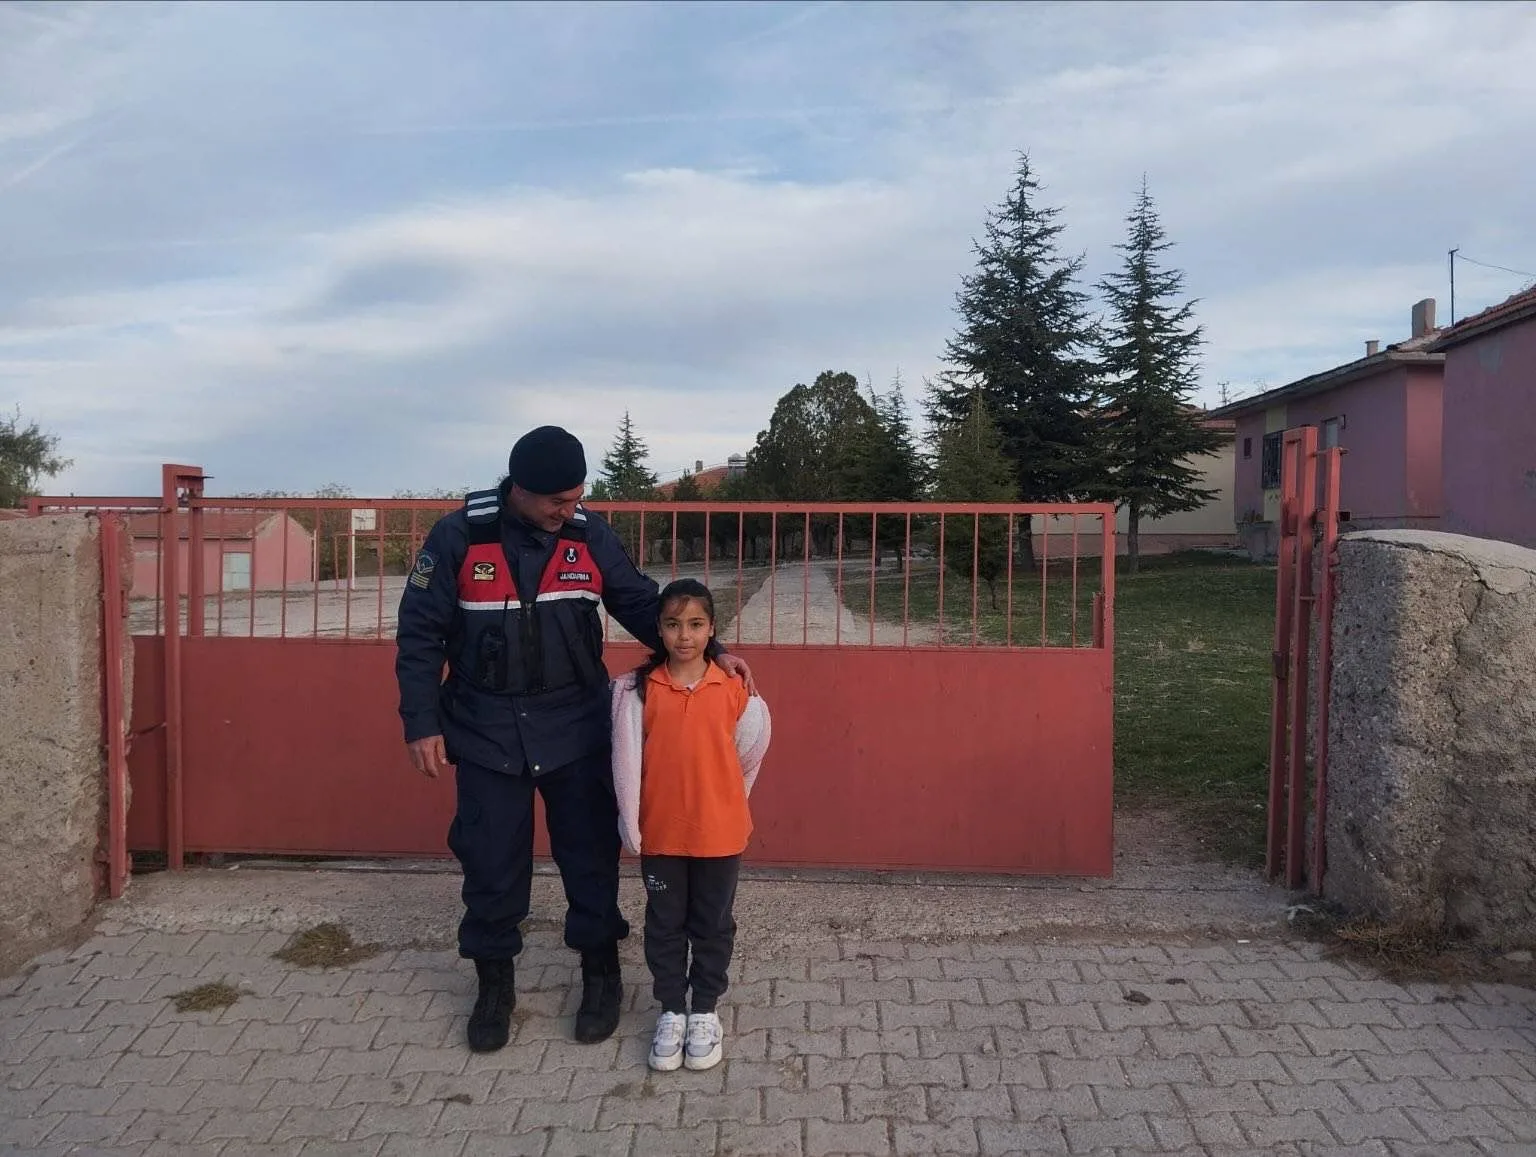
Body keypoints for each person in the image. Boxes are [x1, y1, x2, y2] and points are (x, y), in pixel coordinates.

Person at [394, 426, 754, 1054]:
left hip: (575, 728)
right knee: (490, 863)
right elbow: (419, 633)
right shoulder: (460, 536)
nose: (569, 510)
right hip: (484, 730)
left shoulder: (588, 535)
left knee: (588, 861)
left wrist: (715, 652)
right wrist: (421, 721)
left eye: (576, 496)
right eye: (556, 501)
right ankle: (494, 986)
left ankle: (600, 973)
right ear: (520, 490)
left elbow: (644, 604)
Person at [609, 578, 771, 1072]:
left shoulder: (734, 688)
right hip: (662, 836)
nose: (685, 635)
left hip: (719, 834)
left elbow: (751, 747)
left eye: (696, 624)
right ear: (658, 629)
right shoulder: (636, 692)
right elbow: (624, 760)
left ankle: (704, 1009)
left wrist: (725, 798)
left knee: (713, 923)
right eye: (674, 624)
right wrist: (632, 822)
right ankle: (672, 1010)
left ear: (712, 629)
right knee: (664, 924)